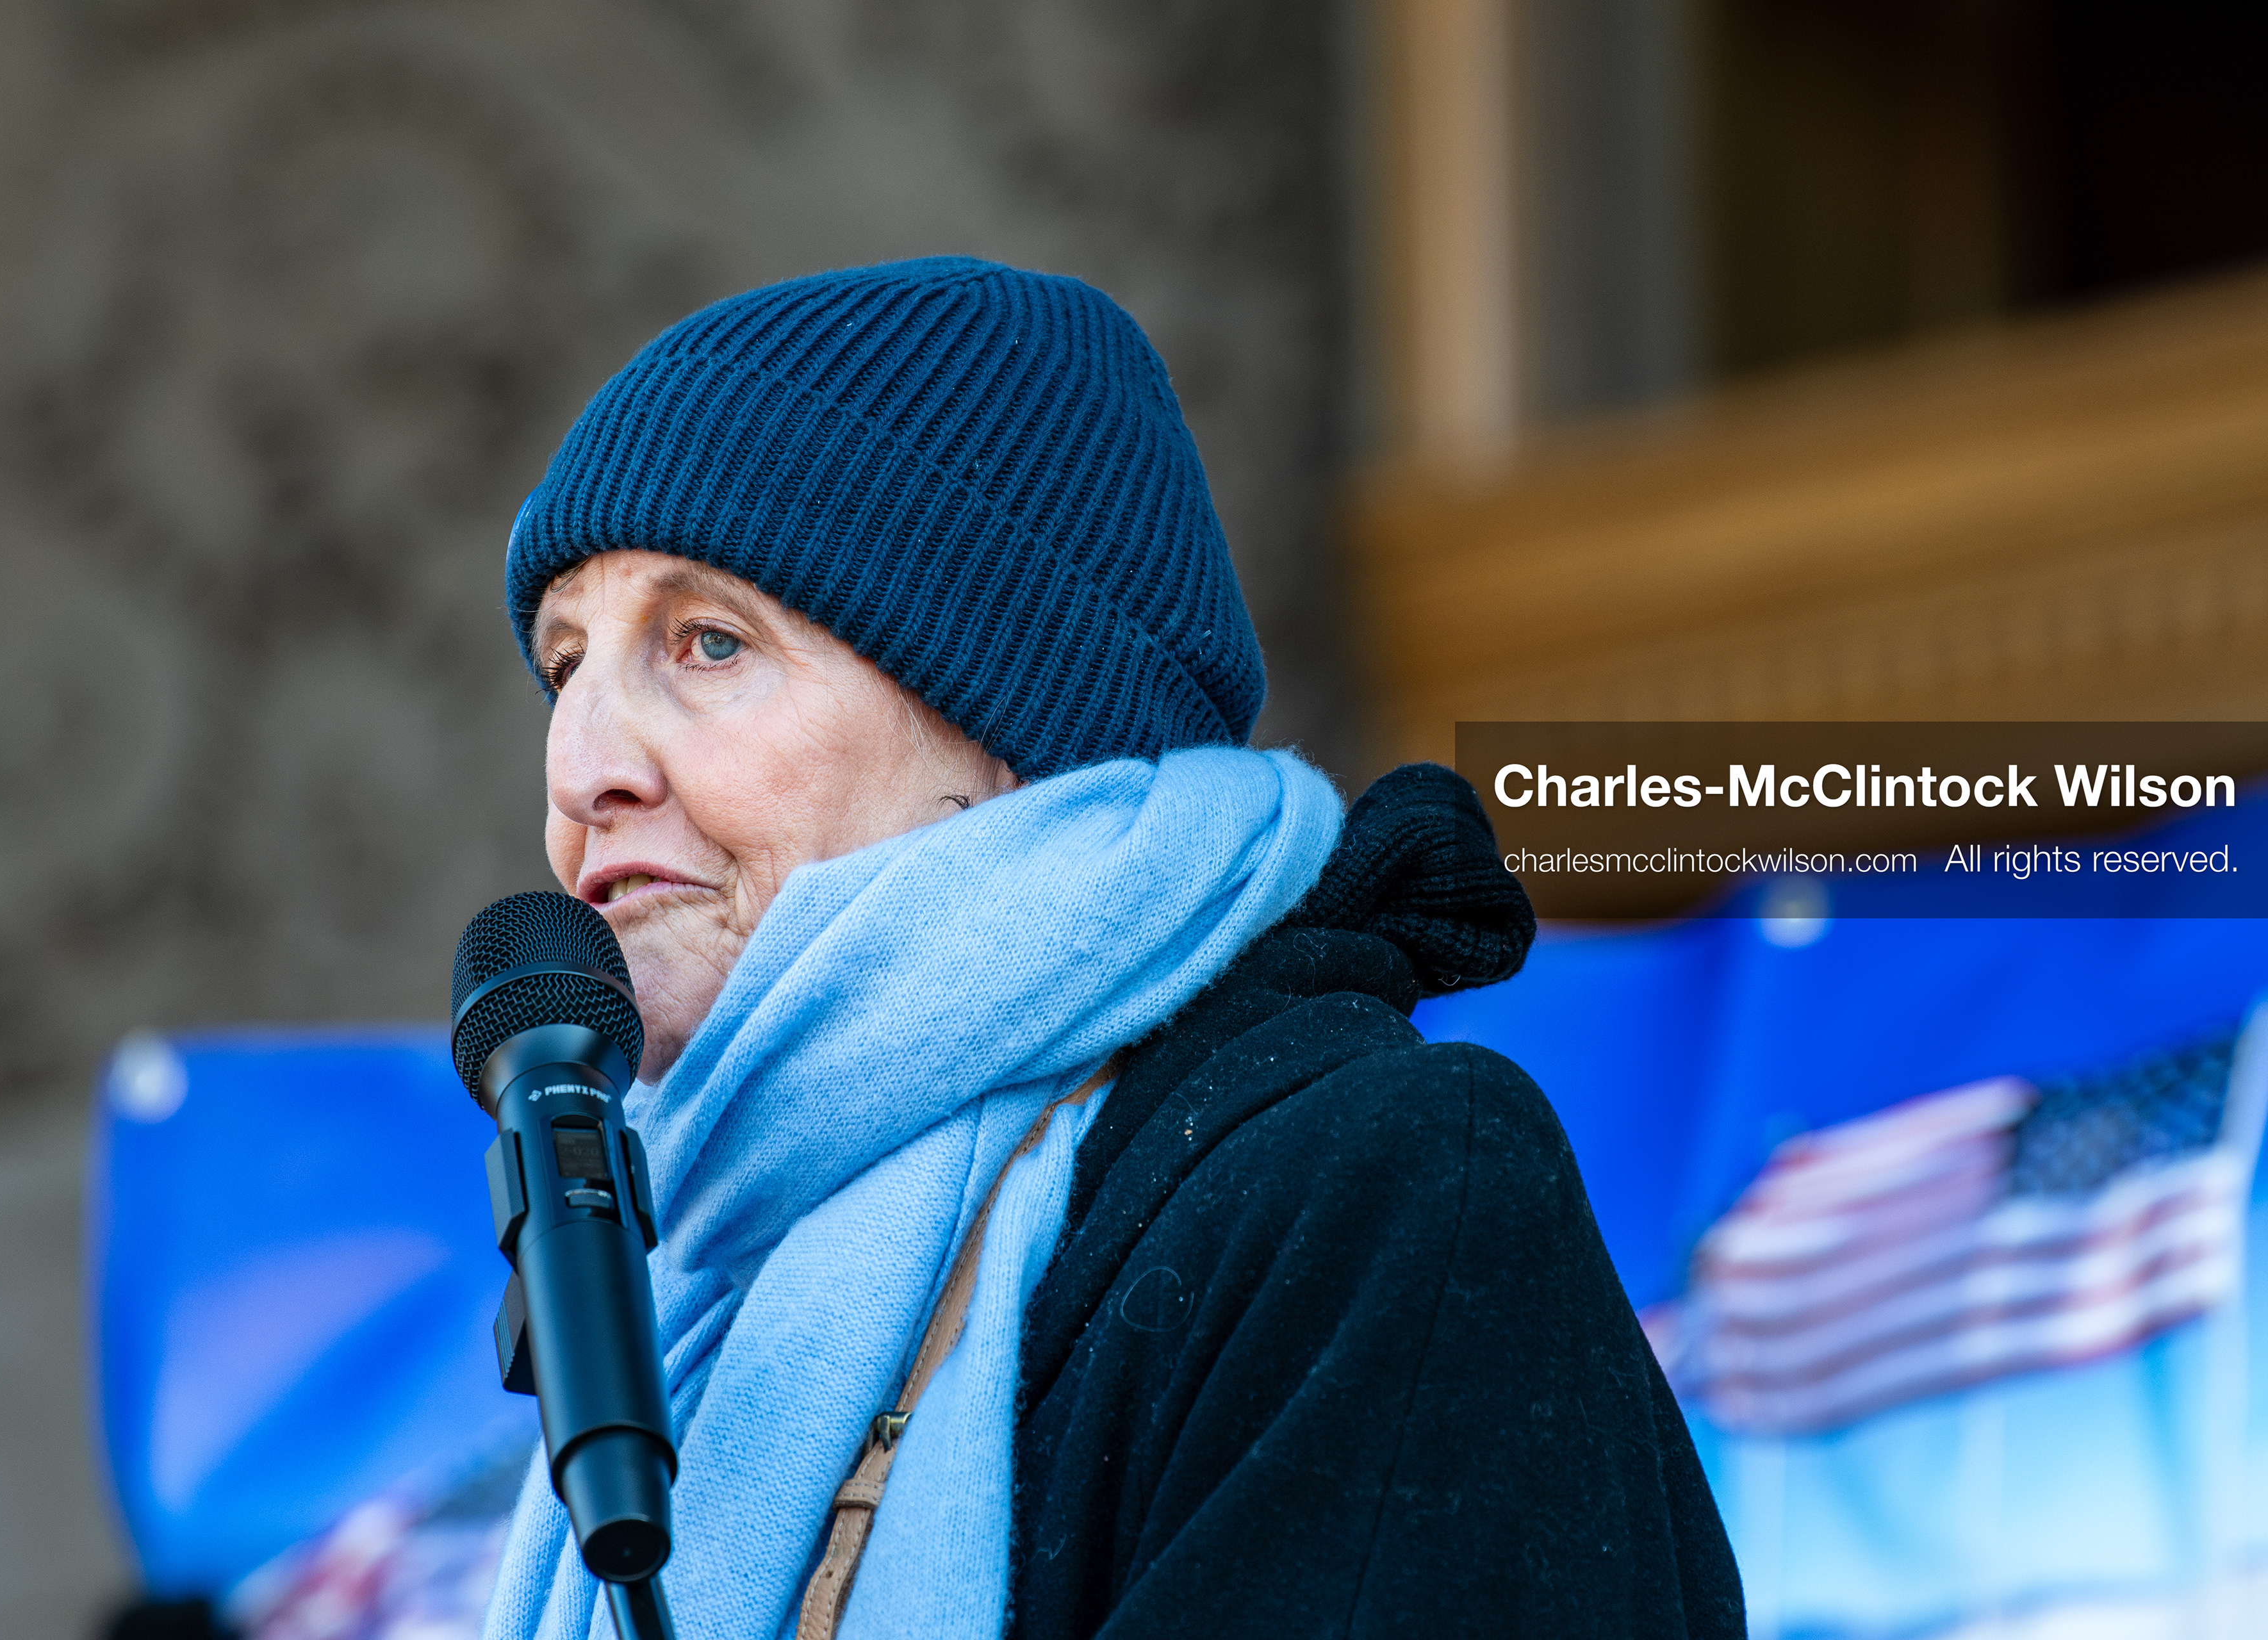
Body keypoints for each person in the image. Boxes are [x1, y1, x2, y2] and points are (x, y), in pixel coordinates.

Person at [479, 257, 1743, 1640]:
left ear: (1010, 722)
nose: (582, 763)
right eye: (565, 664)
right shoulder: (693, 1305)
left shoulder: (1374, 1193)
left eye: (708, 642)